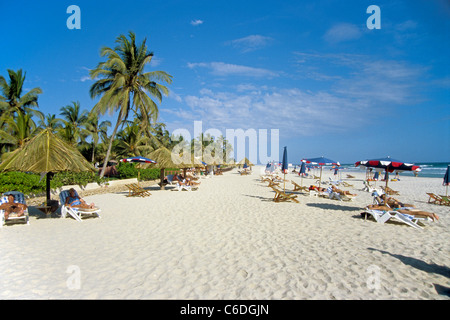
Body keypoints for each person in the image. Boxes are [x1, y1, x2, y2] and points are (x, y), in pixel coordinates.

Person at [366, 204, 439, 221]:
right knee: (413, 213)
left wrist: (369, 207)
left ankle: (430, 214)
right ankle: (430, 213)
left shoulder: (380, 207)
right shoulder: (383, 207)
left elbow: (373, 208)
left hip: (396, 211)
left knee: (413, 213)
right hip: (396, 210)